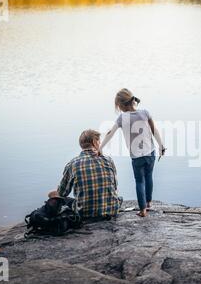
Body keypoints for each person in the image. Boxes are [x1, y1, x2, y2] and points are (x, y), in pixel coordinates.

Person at [99, 88, 165, 217]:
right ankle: (149, 202)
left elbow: (110, 133)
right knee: (149, 176)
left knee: (139, 181)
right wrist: (161, 146)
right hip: (150, 153)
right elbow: (154, 131)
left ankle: (142, 210)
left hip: (136, 157)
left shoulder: (122, 118)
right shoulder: (145, 113)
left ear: (122, 105)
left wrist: (101, 148)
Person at [48, 129, 121, 221]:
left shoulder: (73, 164)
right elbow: (114, 186)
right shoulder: (108, 160)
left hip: (84, 213)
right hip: (112, 210)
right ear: (94, 142)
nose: (100, 144)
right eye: (99, 141)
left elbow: (63, 193)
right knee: (119, 198)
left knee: (52, 194)